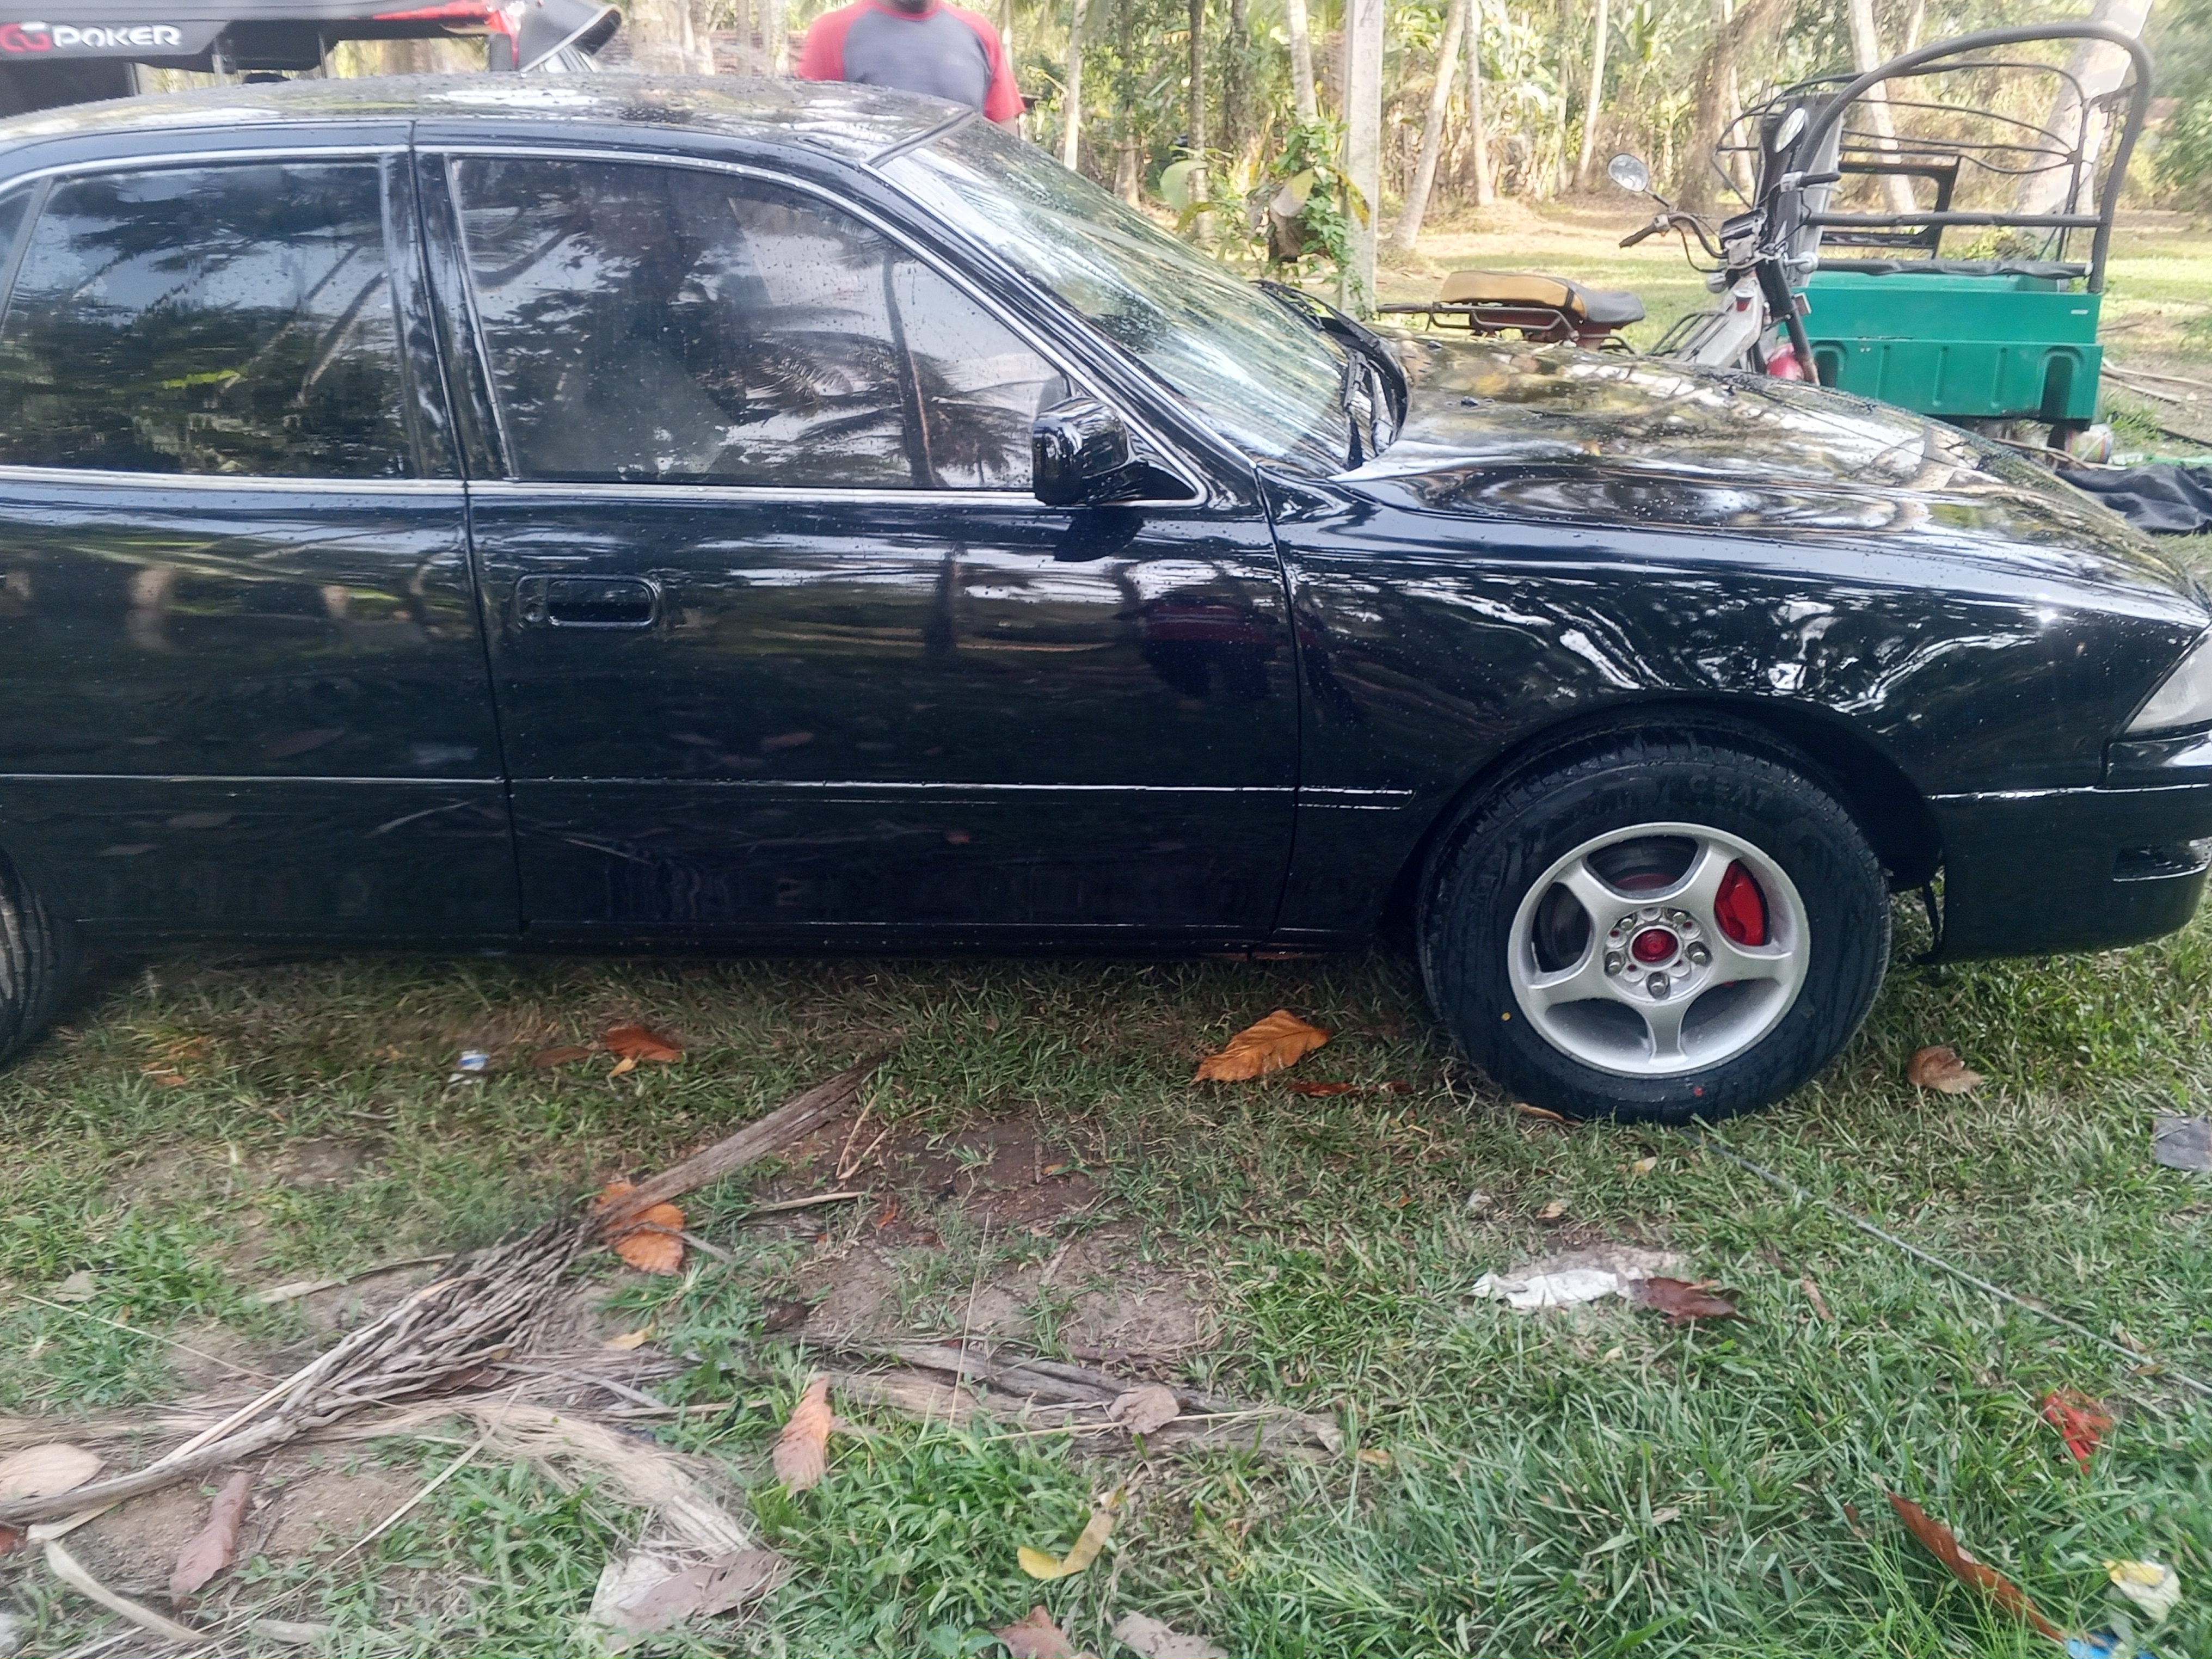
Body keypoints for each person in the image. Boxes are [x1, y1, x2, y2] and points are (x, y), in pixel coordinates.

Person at [795, 0, 1023, 128]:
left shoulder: (979, 33)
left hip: (959, 209)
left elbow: (1006, 144)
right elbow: (811, 143)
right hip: (873, 210)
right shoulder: (831, 34)